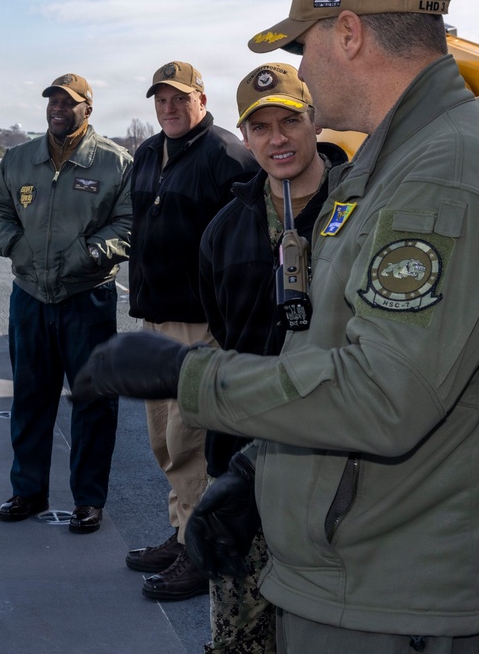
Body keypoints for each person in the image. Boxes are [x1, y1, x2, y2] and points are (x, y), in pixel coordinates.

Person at [73, 0, 479, 652]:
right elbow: (332, 344)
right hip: (353, 571)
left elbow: (384, 394)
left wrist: (186, 373)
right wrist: (256, 470)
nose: (302, 72)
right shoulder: (394, 162)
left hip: (392, 596)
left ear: (348, 33)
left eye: (302, 47)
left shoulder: (440, 169)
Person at [197, 63, 346, 653]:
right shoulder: (223, 230)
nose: (277, 139)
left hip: (339, 464)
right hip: (243, 464)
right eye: (260, 127)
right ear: (245, 136)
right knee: (240, 636)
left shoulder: (363, 210)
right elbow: (223, 332)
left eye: (290, 121)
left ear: (315, 121)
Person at [125, 61, 258, 601]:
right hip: (155, 318)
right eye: (161, 100)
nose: (169, 108)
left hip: (200, 322)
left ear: (202, 99)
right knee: (163, 438)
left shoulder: (227, 155)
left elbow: (248, 239)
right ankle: (182, 533)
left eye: (180, 98)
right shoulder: (147, 153)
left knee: (192, 440)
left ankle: (200, 550)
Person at [0, 74, 132, 533]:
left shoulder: (115, 162)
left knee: (93, 403)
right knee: (29, 399)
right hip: (30, 297)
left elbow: (129, 222)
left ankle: (89, 500)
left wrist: (88, 255)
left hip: (88, 298)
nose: (58, 109)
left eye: (69, 102)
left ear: (88, 109)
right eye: (53, 101)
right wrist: (16, 246)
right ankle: (28, 491)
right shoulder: (19, 158)